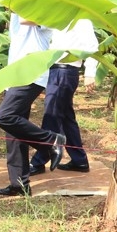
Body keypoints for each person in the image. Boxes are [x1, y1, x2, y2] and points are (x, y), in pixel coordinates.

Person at [0, 13, 66, 196]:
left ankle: (52, 140)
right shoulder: (17, 10)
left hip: (30, 75)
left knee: (4, 116)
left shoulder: (42, 7)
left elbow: (27, 18)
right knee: (14, 133)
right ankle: (19, 184)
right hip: (15, 75)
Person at [29, 19, 99, 174]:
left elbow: (93, 47)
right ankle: (79, 160)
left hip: (64, 71)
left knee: (52, 116)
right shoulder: (59, 15)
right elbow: (38, 22)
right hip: (57, 70)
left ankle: (39, 161)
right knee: (67, 118)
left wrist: (90, 73)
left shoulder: (82, 19)